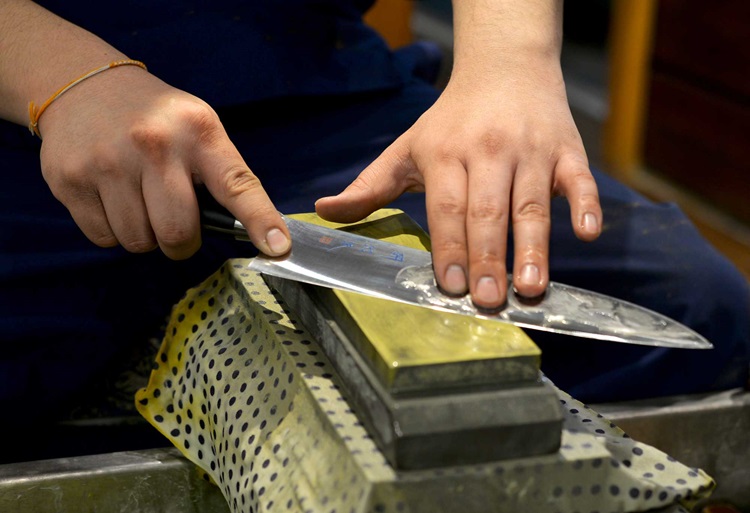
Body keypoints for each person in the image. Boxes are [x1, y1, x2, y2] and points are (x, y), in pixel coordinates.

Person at [0, 0, 747, 443]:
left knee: (698, 312)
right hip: (33, 130)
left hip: (320, 97)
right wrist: (58, 78)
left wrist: (510, 61)